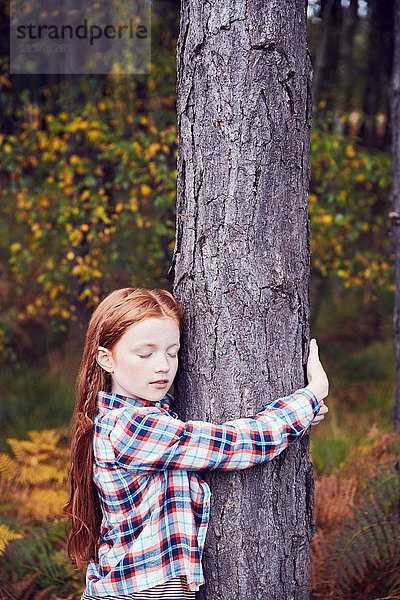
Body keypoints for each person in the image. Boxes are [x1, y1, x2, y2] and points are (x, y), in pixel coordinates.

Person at [64, 287, 329, 600]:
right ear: (106, 358)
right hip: (139, 592)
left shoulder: (142, 416)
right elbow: (233, 445)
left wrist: (301, 414)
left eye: (172, 352)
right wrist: (310, 397)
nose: (162, 365)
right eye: (145, 354)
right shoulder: (131, 427)